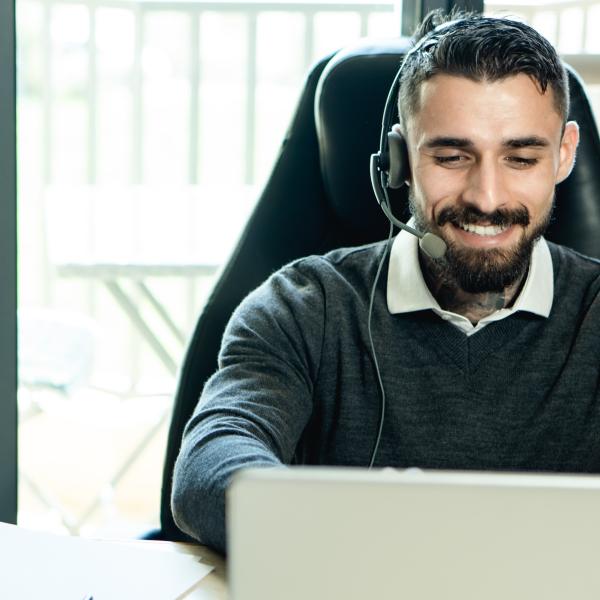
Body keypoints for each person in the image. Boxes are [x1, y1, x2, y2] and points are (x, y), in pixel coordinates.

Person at [171, 11, 600, 554]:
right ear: (399, 159)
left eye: (520, 157)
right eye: (451, 155)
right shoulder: (303, 307)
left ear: (563, 154)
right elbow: (212, 464)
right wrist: (378, 535)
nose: (486, 198)